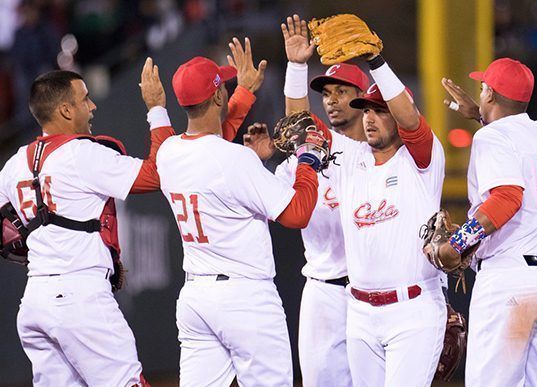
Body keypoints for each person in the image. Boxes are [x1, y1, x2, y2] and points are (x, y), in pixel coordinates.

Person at [271, 14, 447, 387]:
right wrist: (297, 67)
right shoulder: (352, 159)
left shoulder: (421, 162)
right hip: (360, 310)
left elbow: (412, 121)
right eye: (366, 110)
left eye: (379, 110)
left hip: (412, 307)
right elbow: (300, 126)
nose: (369, 118)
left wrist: (376, 62)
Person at [154, 39, 322, 385]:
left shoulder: (168, 151)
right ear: (217, 97)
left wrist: (243, 92)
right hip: (245, 299)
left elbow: (213, 145)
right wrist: (307, 158)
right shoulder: (234, 160)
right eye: (224, 88)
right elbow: (297, 214)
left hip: (196, 298)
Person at [0, 58, 171, 386]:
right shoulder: (82, 154)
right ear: (65, 110)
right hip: (81, 298)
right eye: (84, 99)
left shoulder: (13, 163)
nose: (92, 106)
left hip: (35, 299)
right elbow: (159, 173)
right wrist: (157, 109)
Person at [243, 15, 370, 386]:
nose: (331, 101)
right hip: (322, 292)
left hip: (372, 291)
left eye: (341, 92)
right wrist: (297, 66)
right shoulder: (313, 151)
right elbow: (298, 126)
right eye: (326, 93)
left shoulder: (378, 153)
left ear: (363, 99)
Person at [439, 58, 537, 387]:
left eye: (483, 87)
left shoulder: (492, 138)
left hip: (512, 284)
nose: (480, 91)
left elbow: (507, 198)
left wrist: (458, 244)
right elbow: (511, 147)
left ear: (490, 95)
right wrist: (481, 118)